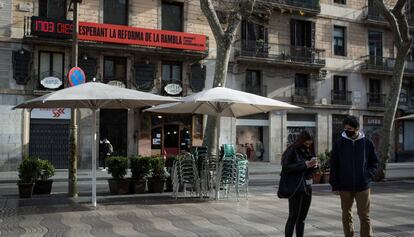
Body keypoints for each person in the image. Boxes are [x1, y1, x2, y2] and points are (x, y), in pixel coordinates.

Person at [330, 115, 378, 237]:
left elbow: (374, 163)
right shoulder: (339, 143)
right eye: (345, 128)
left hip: (363, 186)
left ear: (357, 129)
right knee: (346, 214)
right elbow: (334, 164)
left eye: (350, 129)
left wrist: (367, 175)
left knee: (364, 215)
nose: (347, 131)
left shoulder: (367, 143)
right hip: (345, 186)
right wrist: (334, 185)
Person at [280, 130, 318, 237]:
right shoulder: (292, 150)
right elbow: (286, 168)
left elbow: (310, 171)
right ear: (301, 140)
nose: (308, 144)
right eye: (306, 142)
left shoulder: (309, 150)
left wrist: (315, 166)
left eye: (310, 142)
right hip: (296, 187)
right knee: (293, 216)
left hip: (307, 186)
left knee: (302, 218)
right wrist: (305, 165)